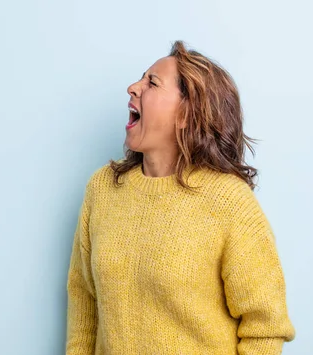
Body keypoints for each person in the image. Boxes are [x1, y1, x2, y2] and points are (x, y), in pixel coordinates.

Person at [66, 40, 296, 354]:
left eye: (152, 83)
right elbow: (84, 303)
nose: (133, 88)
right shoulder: (103, 189)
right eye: (140, 78)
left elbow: (266, 329)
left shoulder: (230, 203)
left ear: (187, 113)